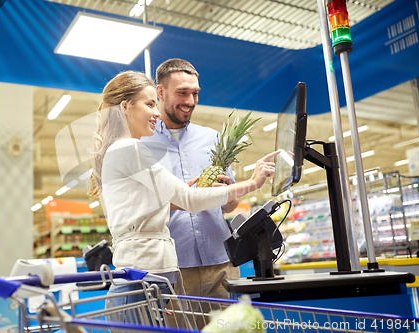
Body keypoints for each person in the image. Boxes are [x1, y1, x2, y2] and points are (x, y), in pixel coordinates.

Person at [88, 70, 278, 314]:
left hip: (152, 278)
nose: (156, 112)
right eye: (149, 104)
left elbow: (139, 208)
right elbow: (189, 200)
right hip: (145, 277)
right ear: (125, 107)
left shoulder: (120, 149)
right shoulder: (130, 148)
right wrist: (253, 182)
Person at [141, 59, 244, 300]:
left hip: (221, 264)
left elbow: (229, 206)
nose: (190, 101)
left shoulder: (212, 139)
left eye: (195, 93)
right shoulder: (141, 142)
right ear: (160, 92)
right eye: (182, 93)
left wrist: (230, 194)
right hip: (171, 270)